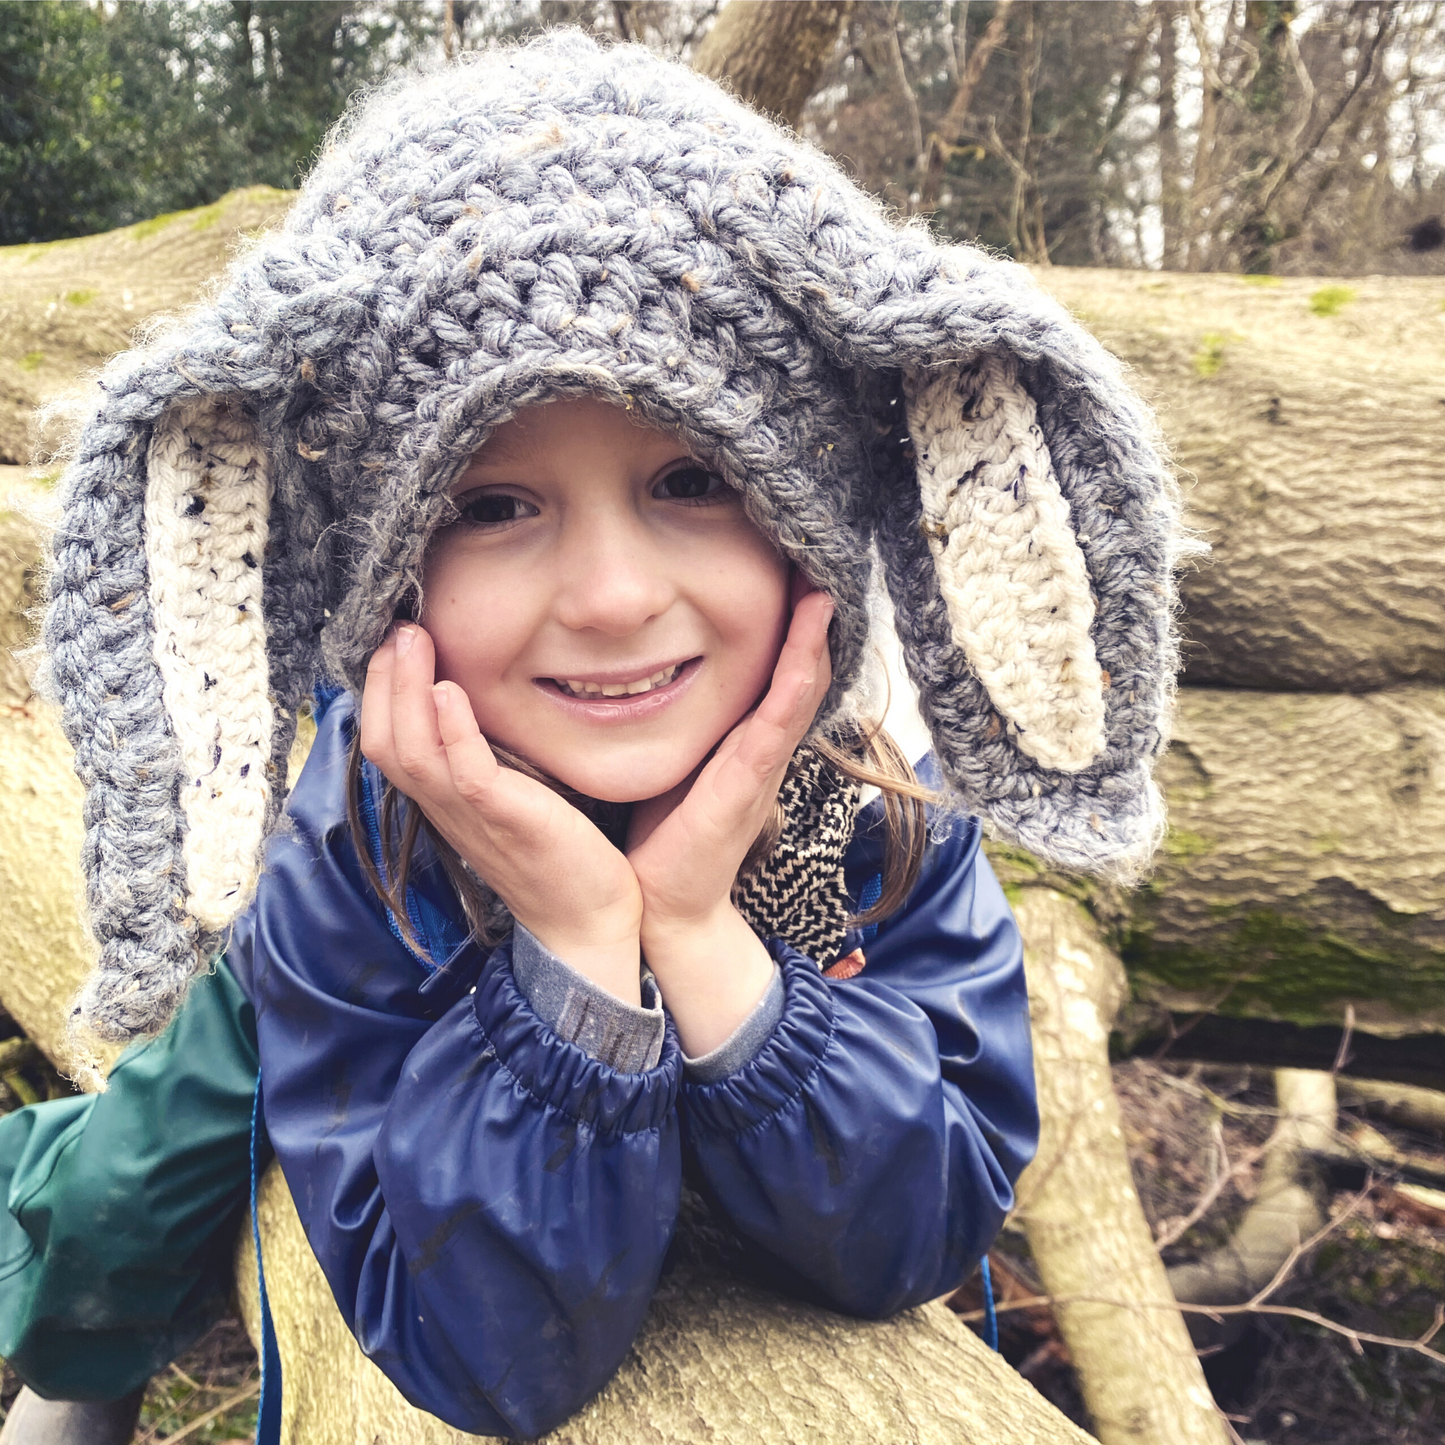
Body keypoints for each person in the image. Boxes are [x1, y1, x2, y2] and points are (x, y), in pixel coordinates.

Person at [0, 28, 1184, 1444]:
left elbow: (919, 1230)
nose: (617, 599)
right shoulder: (342, 851)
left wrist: (690, 926)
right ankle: (71, 1373)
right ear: (389, 568)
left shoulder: (878, 819)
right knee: (143, 1169)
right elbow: (479, 1355)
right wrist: (573, 937)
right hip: (368, 875)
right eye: (494, 506)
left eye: (691, 477)